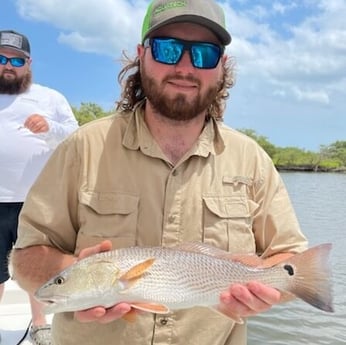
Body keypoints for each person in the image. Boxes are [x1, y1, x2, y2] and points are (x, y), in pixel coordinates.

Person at [10, 1, 308, 344]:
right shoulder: (83, 147)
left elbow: (293, 261)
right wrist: (78, 277)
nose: (184, 66)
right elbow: (26, 258)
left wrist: (269, 291)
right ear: (141, 55)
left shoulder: (251, 159)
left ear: (222, 66)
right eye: (167, 49)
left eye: (204, 54)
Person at [0, 29, 79, 344]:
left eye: (16, 59)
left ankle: (39, 323)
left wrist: (50, 127)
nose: (9, 65)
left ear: (28, 63)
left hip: (36, 203)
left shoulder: (50, 97)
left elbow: (75, 137)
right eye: (2, 58)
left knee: (35, 265)